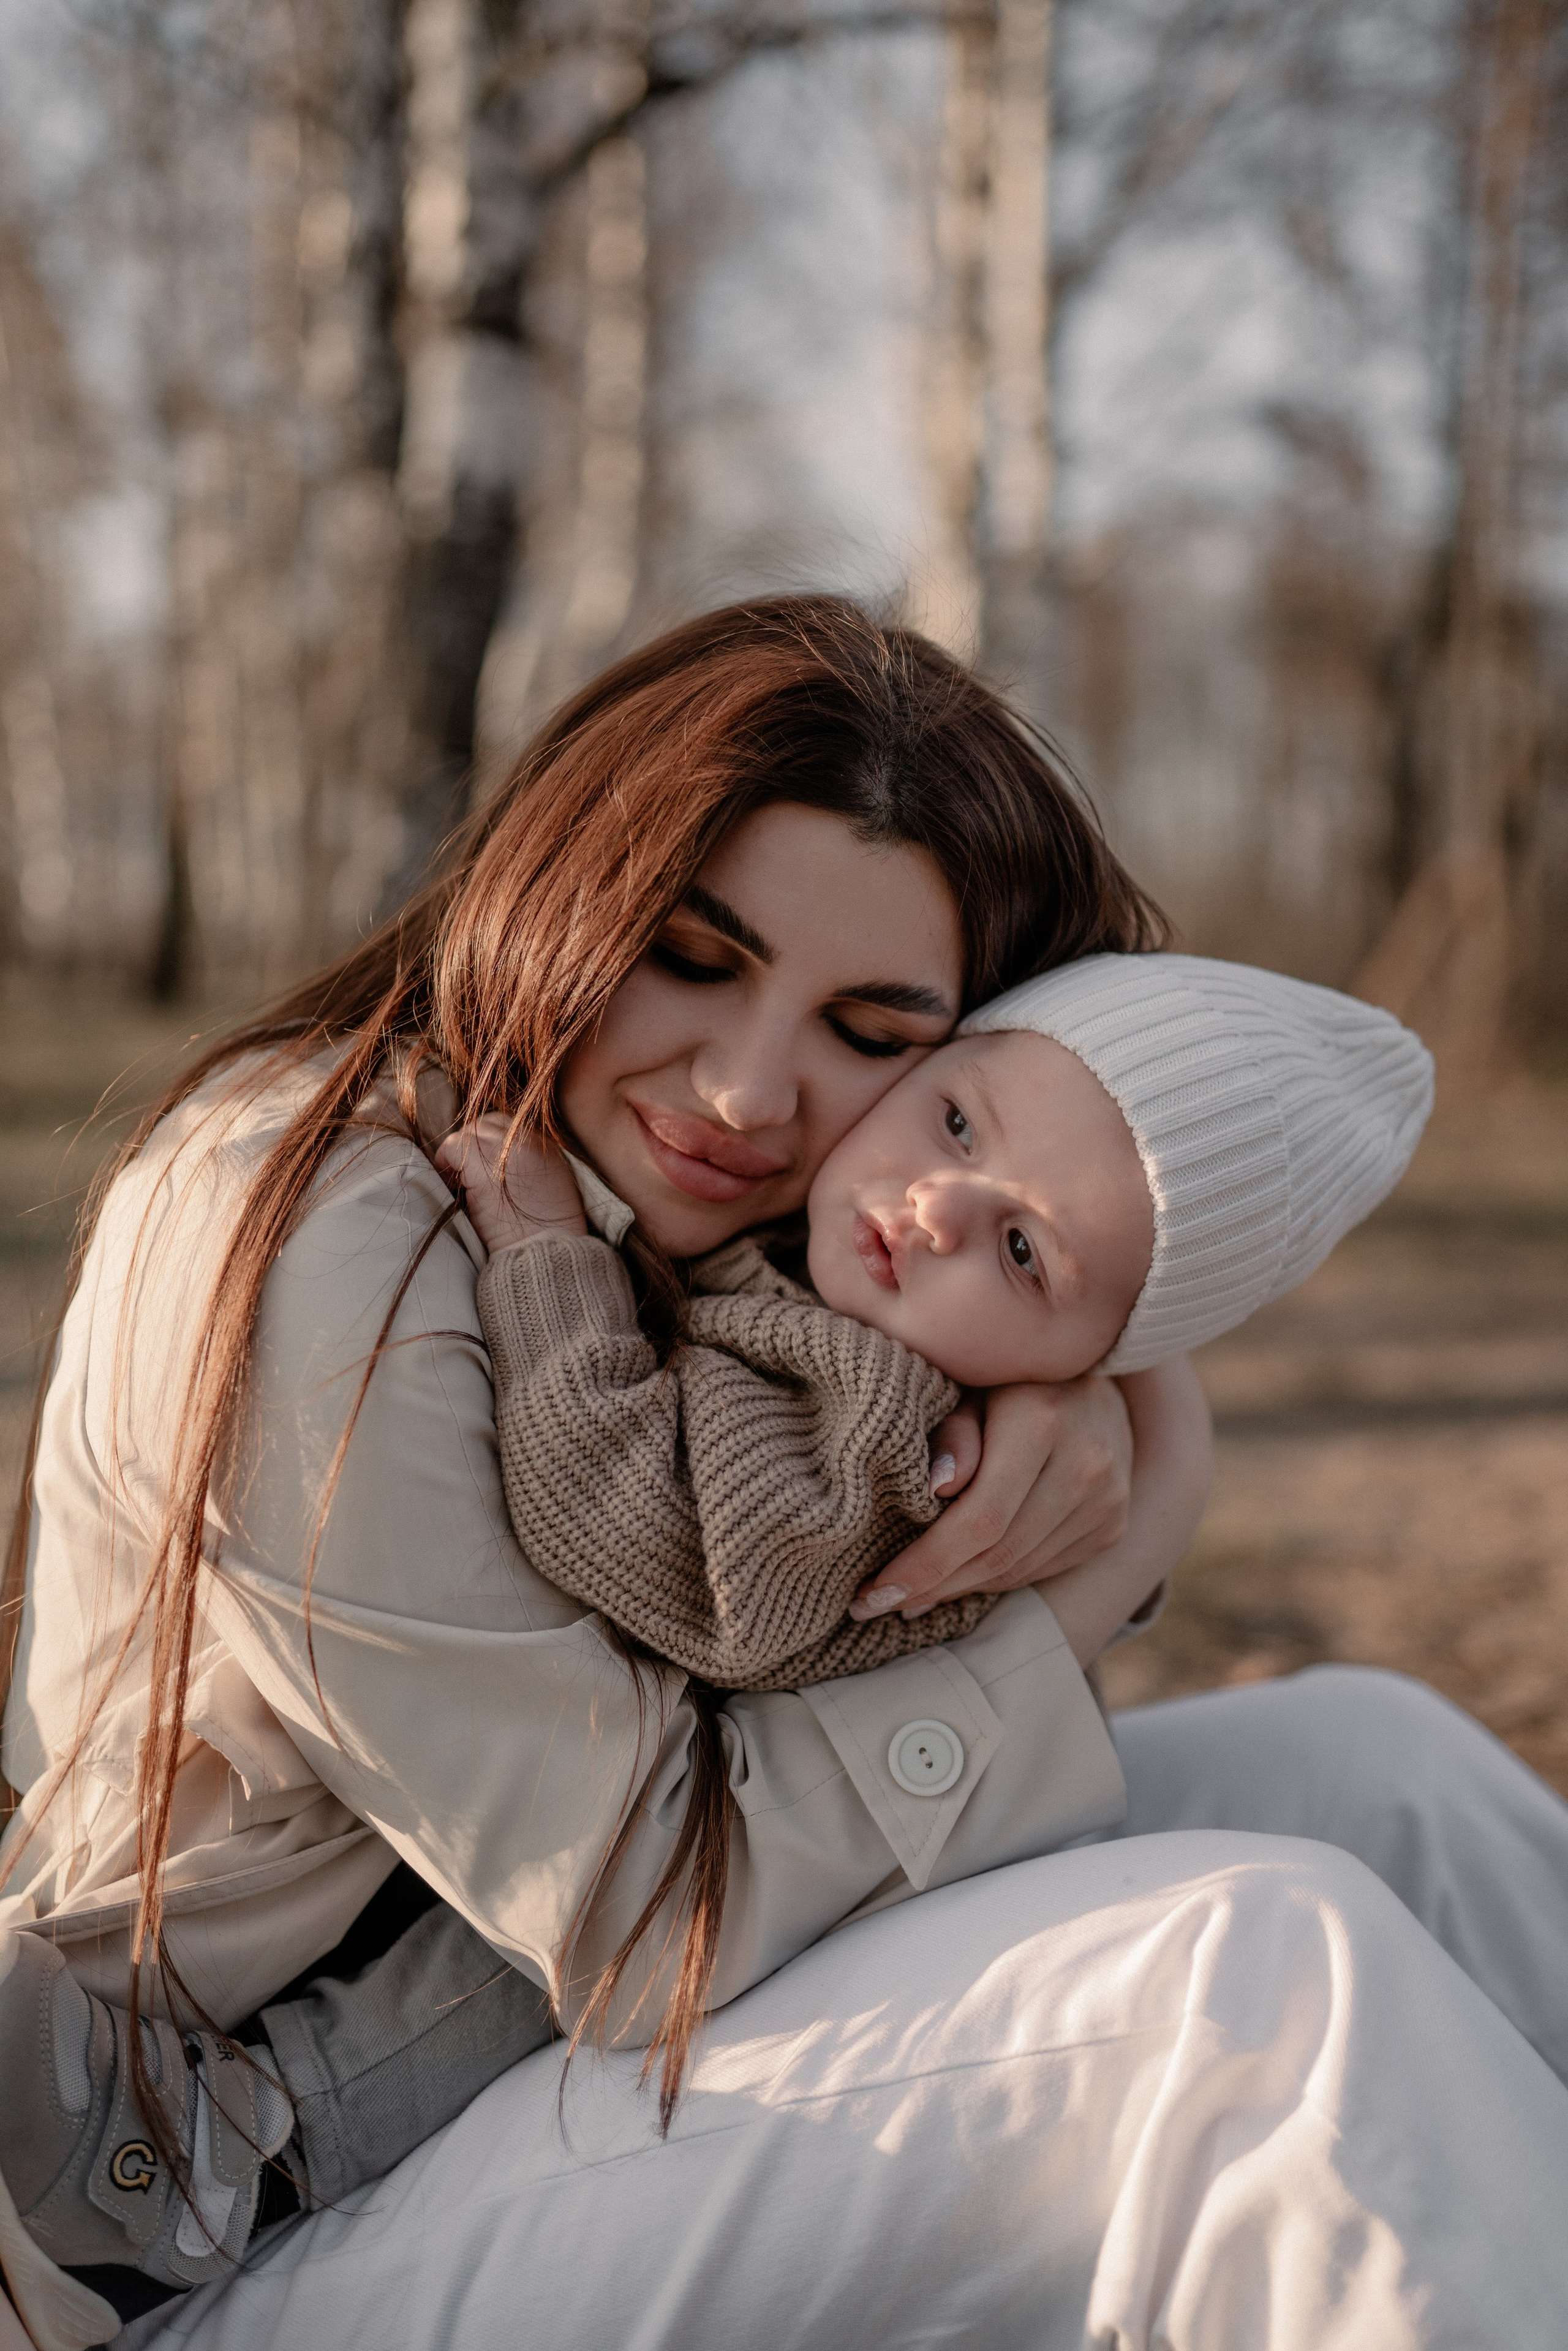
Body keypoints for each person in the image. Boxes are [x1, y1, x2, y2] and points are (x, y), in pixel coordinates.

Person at [2, 599, 1567, 2351]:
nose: (749, 1094)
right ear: (567, 881)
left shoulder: (759, 1253)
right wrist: (1085, 1585)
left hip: (546, 2092)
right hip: (204, 2217)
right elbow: (650, 1917)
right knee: (1265, 1993)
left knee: (1384, 1773)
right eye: (691, 956)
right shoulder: (321, 1240)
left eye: (874, 1036)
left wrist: (1097, 1375)